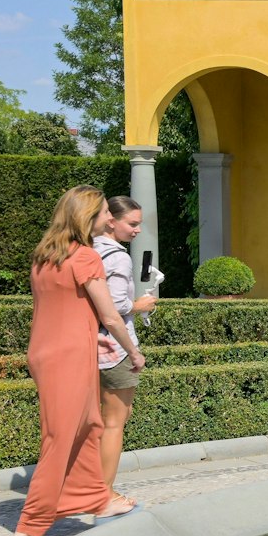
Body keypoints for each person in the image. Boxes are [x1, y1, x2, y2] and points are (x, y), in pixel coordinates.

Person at [11, 186, 144, 536]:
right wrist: (132, 351)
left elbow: (61, 308)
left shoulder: (45, 256)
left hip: (50, 351)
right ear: (87, 217)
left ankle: (98, 500)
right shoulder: (86, 257)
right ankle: (31, 529)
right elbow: (110, 315)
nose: (107, 218)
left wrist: (90, 338)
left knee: (90, 425)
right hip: (69, 357)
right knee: (60, 437)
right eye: (103, 213)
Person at [94, 195, 159, 490]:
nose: (136, 231)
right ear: (112, 221)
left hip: (88, 345)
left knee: (101, 420)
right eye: (131, 224)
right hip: (114, 348)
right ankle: (103, 493)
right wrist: (141, 305)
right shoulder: (118, 256)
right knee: (115, 422)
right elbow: (116, 307)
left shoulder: (86, 250)